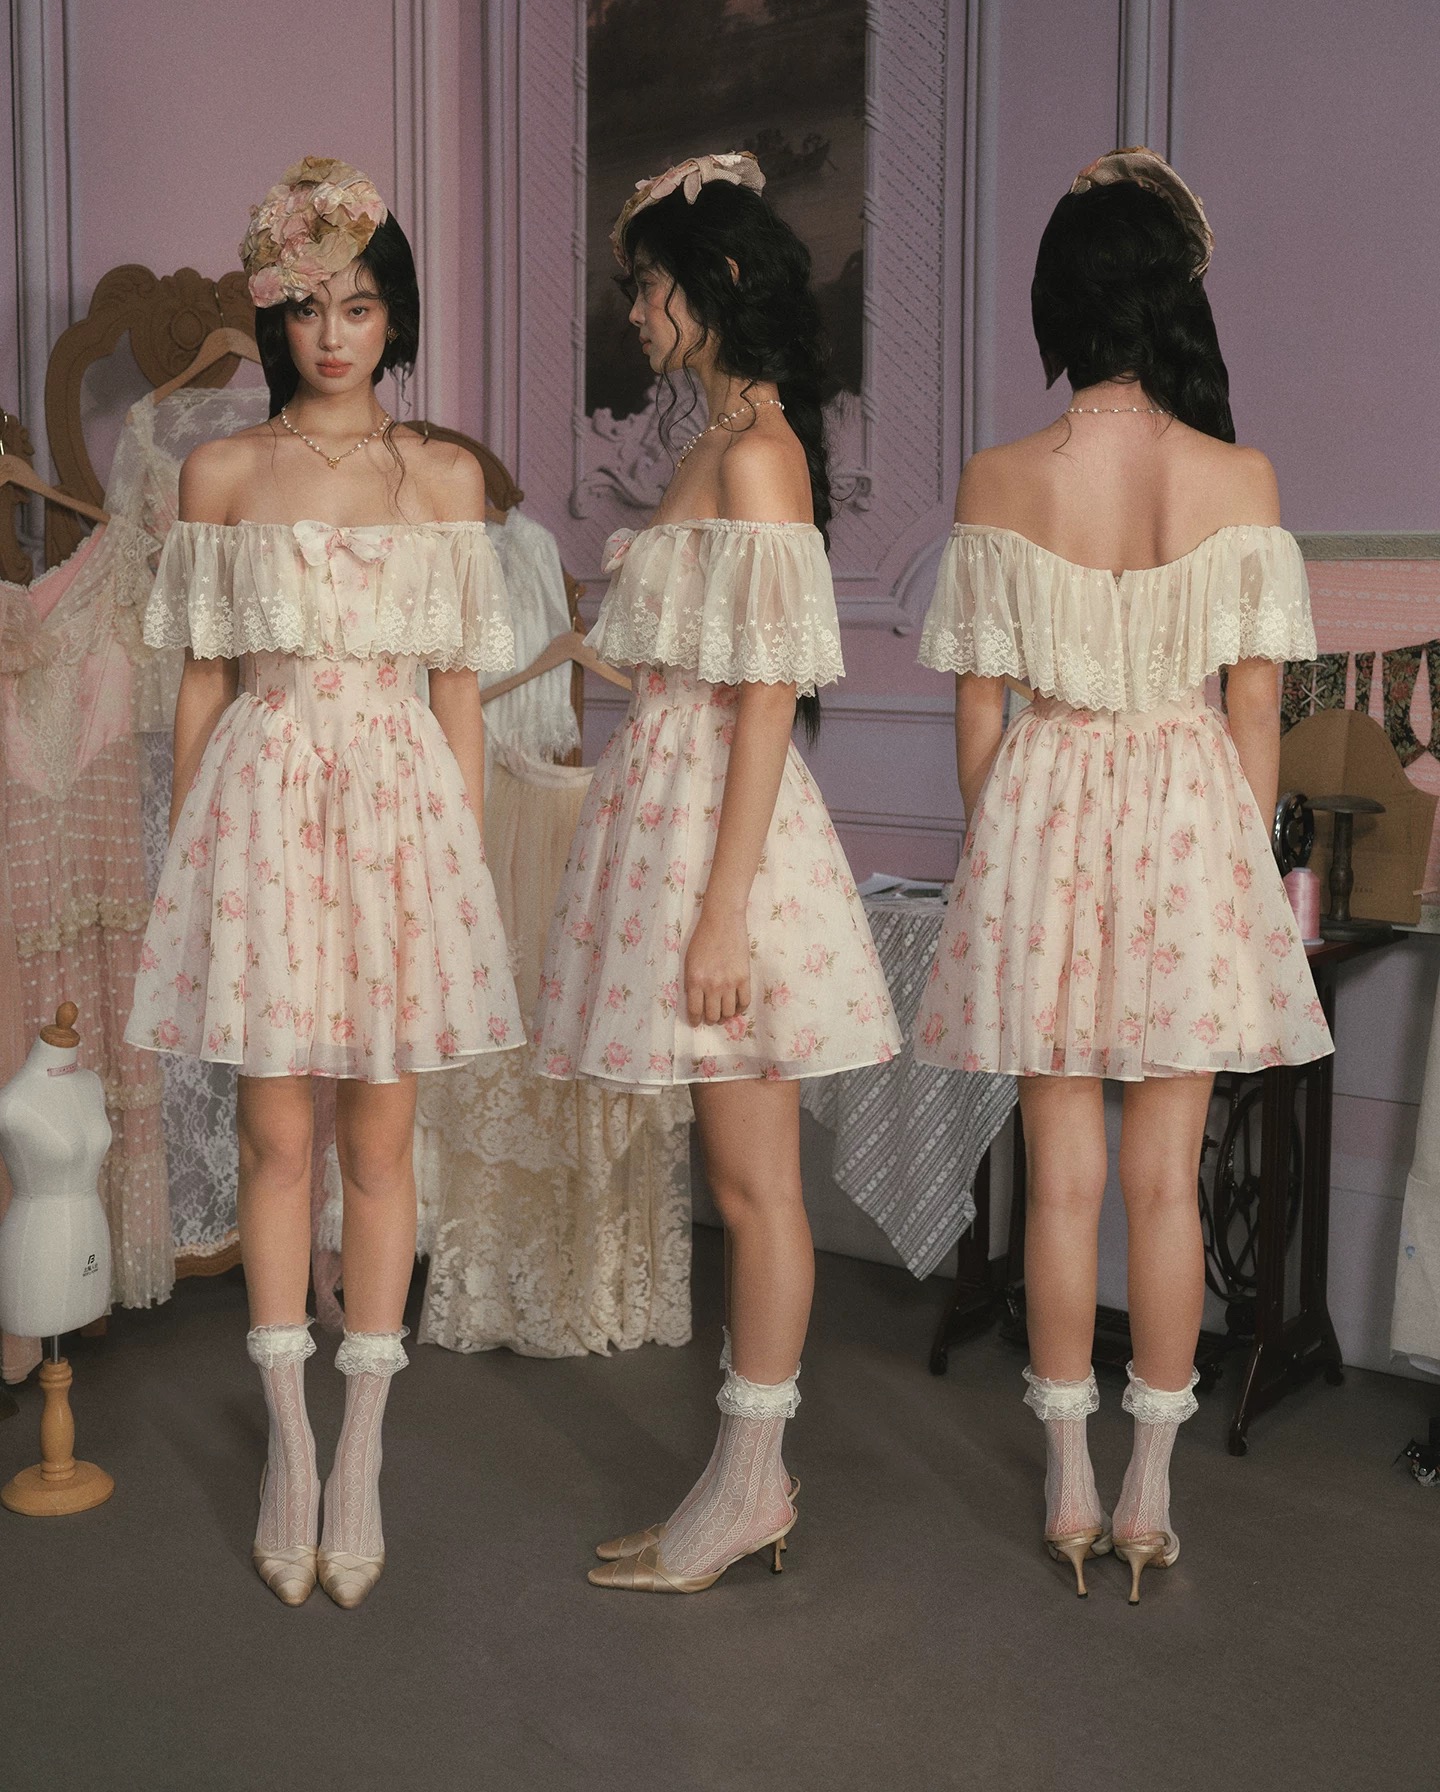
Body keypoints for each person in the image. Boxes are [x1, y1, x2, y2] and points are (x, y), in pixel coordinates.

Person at [913, 148, 1332, 1601]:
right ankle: (1150, 1489)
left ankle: (1071, 1479)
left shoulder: (997, 477)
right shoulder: (1238, 477)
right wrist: (1231, 867)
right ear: (1175, 299)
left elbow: (979, 726)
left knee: (1062, 1179)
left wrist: (1020, 847)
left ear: (1061, 302)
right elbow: (1256, 718)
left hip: (1044, 806)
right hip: (1187, 818)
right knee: (1165, 1181)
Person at [125, 157, 521, 1608]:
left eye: (357, 305)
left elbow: (461, 694)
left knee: (382, 1143)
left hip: (400, 821)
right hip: (265, 817)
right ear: (275, 318)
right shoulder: (222, 475)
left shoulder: (448, 479)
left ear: (393, 314)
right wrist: (190, 860)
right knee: (276, 1137)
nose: (333, 334)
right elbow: (203, 684)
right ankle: (289, 1446)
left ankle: (362, 1450)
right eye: (306, 307)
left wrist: (453, 869)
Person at [533, 151, 901, 1592]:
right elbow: (701, 663)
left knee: (754, 1187)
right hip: (671, 811)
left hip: (724, 846)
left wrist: (724, 913)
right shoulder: (716, 441)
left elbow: (766, 700)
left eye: (649, 285)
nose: (634, 311)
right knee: (734, 1181)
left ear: (720, 282)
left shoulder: (757, 453)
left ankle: (750, 1487)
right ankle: (743, 1481)